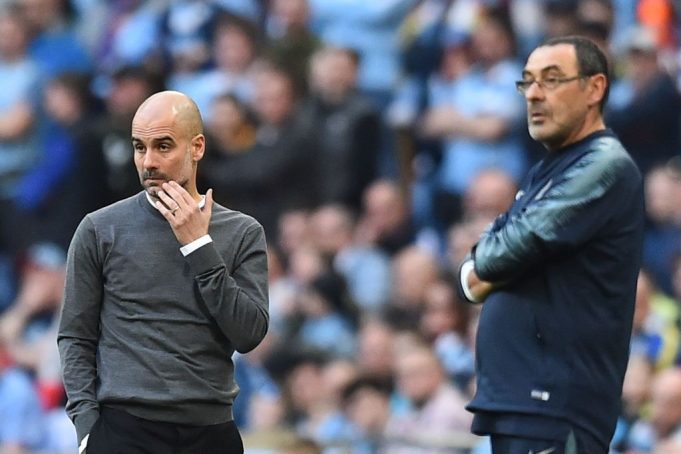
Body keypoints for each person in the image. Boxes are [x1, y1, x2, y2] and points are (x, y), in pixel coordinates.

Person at [458, 36, 644, 453]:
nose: (535, 94)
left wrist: (486, 263)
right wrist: (485, 263)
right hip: (523, 403)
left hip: (556, 404)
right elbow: (477, 276)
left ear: (595, 88)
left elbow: (494, 257)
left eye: (552, 79)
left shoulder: (602, 166)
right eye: (527, 83)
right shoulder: (549, 169)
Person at [57, 90, 269, 454]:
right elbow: (75, 337)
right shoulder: (99, 229)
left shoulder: (242, 232)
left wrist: (198, 246)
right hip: (124, 430)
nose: (148, 161)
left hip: (211, 431)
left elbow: (248, 334)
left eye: (164, 146)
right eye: (140, 147)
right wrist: (87, 428)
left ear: (197, 147)